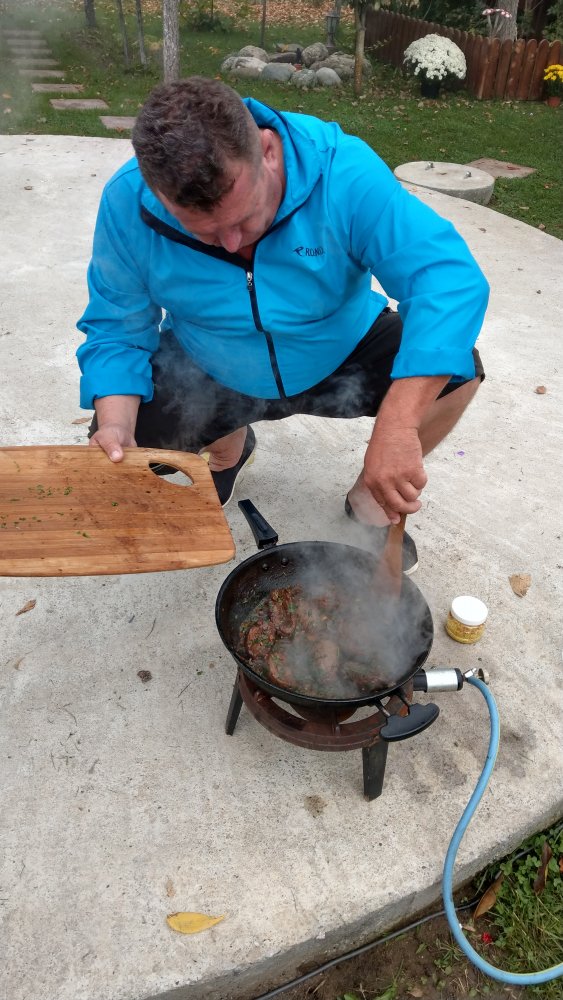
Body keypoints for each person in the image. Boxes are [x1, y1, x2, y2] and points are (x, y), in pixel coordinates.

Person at [77, 76, 489, 574]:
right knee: (120, 453)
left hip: (337, 346)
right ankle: (227, 452)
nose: (232, 245)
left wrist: (398, 424)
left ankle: (368, 500)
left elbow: (448, 282)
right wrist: (116, 425)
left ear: (268, 151)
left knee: (457, 371)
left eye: (244, 218)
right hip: (210, 361)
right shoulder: (127, 202)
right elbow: (117, 327)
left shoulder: (342, 171)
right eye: (204, 233)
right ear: (158, 197)